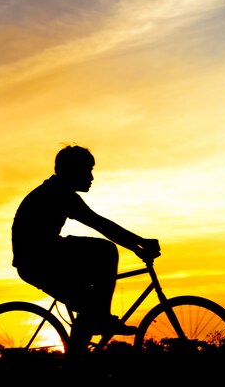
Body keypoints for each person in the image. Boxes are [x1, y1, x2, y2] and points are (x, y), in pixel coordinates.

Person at [11, 145, 161, 341]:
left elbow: (101, 224)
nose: (91, 177)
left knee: (90, 307)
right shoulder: (58, 193)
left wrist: (137, 246)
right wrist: (139, 243)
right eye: (87, 170)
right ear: (72, 170)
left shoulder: (56, 191)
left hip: (39, 261)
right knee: (105, 251)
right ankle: (102, 319)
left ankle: (77, 360)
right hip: (40, 262)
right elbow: (101, 225)